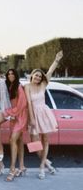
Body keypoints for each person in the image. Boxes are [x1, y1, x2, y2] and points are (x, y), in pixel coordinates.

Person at [24, 51, 63, 179]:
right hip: (33, 115)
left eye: (40, 76)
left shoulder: (43, 85)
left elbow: (50, 72)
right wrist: (32, 119)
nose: (38, 78)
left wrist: (56, 60)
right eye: (36, 75)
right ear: (32, 75)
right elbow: (29, 103)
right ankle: (47, 163)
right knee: (34, 144)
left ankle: (42, 167)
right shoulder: (27, 87)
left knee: (45, 140)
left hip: (44, 114)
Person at [4, 69, 28, 182]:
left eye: (12, 73)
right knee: (19, 141)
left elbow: (23, 103)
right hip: (14, 116)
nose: (10, 75)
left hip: (20, 116)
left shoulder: (18, 86)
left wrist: (12, 113)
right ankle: (22, 166)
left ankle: (12, 168)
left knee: (12, 140)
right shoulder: (10, 86)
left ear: (16, 75)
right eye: (8, 74)